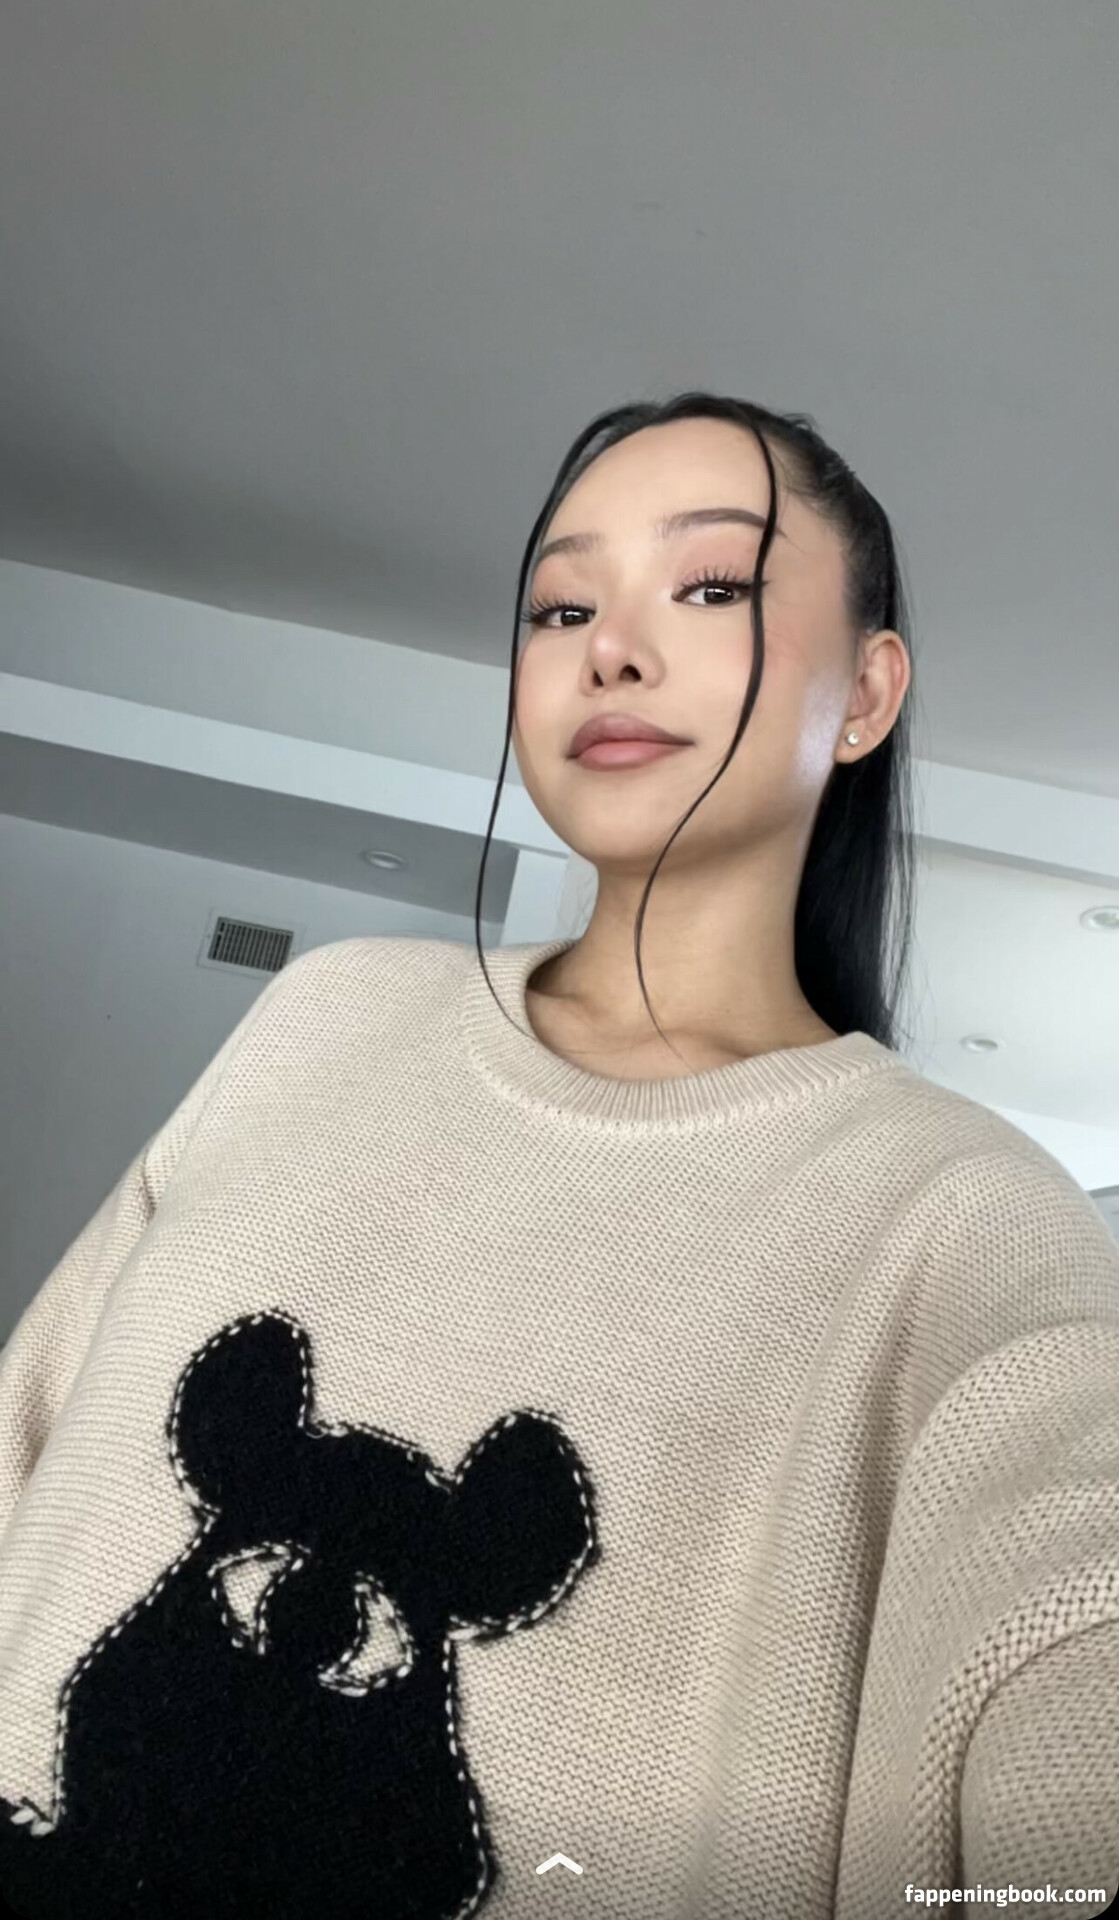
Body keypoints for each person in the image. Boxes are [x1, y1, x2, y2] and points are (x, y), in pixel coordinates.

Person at [0, 392, 1116, 1920]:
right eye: (562, 606)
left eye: (709, 586)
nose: (611, 649)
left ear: (865, 693)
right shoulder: (324, 1012)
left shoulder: (967, 1223)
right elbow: (29, 1435)